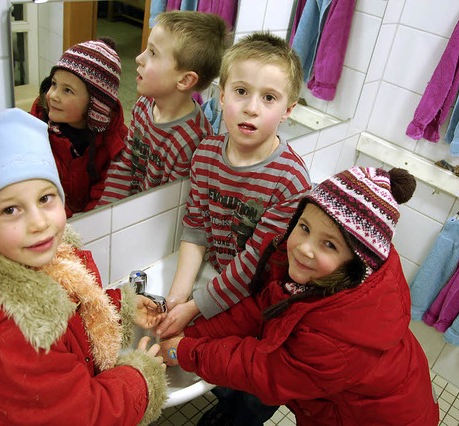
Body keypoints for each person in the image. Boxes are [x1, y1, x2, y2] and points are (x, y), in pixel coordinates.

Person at [158, 166, 440, 425]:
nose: (304, 248)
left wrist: (183, 351)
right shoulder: (310, 277)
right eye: (304, 228)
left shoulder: (337, 336)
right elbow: (259, 309)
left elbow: (265, 371)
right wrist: (192, 334)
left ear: (357, 262)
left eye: (328, 244)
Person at [0, 108, 167, 425]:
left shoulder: (46, 262)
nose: (38, 222)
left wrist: (121, 305)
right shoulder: (12, 333)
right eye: (10, 209)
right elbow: (82, 416)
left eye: (46, 198)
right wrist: (141, 378)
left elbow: (71, 321)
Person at [155, 31, 312, 424]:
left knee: (252, 385)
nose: (252, 109)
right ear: (220, 95)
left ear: (288, 110)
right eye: (241, 91)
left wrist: (193, 307)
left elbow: (253, 266)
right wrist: (177, 296)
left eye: (269, 98)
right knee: (222, 373)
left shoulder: (289, 179)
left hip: (264, 297)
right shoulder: (206, 154)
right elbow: (196, 228)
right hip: (225, 283)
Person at [98, 11, 228, 202]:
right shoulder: (144, 105)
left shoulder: (193, 141)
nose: (139, 58)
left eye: (152, 53)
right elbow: (126, 165)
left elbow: (170, 208)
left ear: (185, 80)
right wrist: (106, 208)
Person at [31, 37, 127, 217]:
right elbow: (38, 185)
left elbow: (105, 194)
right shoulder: (36, 126)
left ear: (95, 105)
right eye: (54, 84)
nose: (53, 96)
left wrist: (85, 223)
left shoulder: (114, 141)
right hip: (51, 217)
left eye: (67, 90)